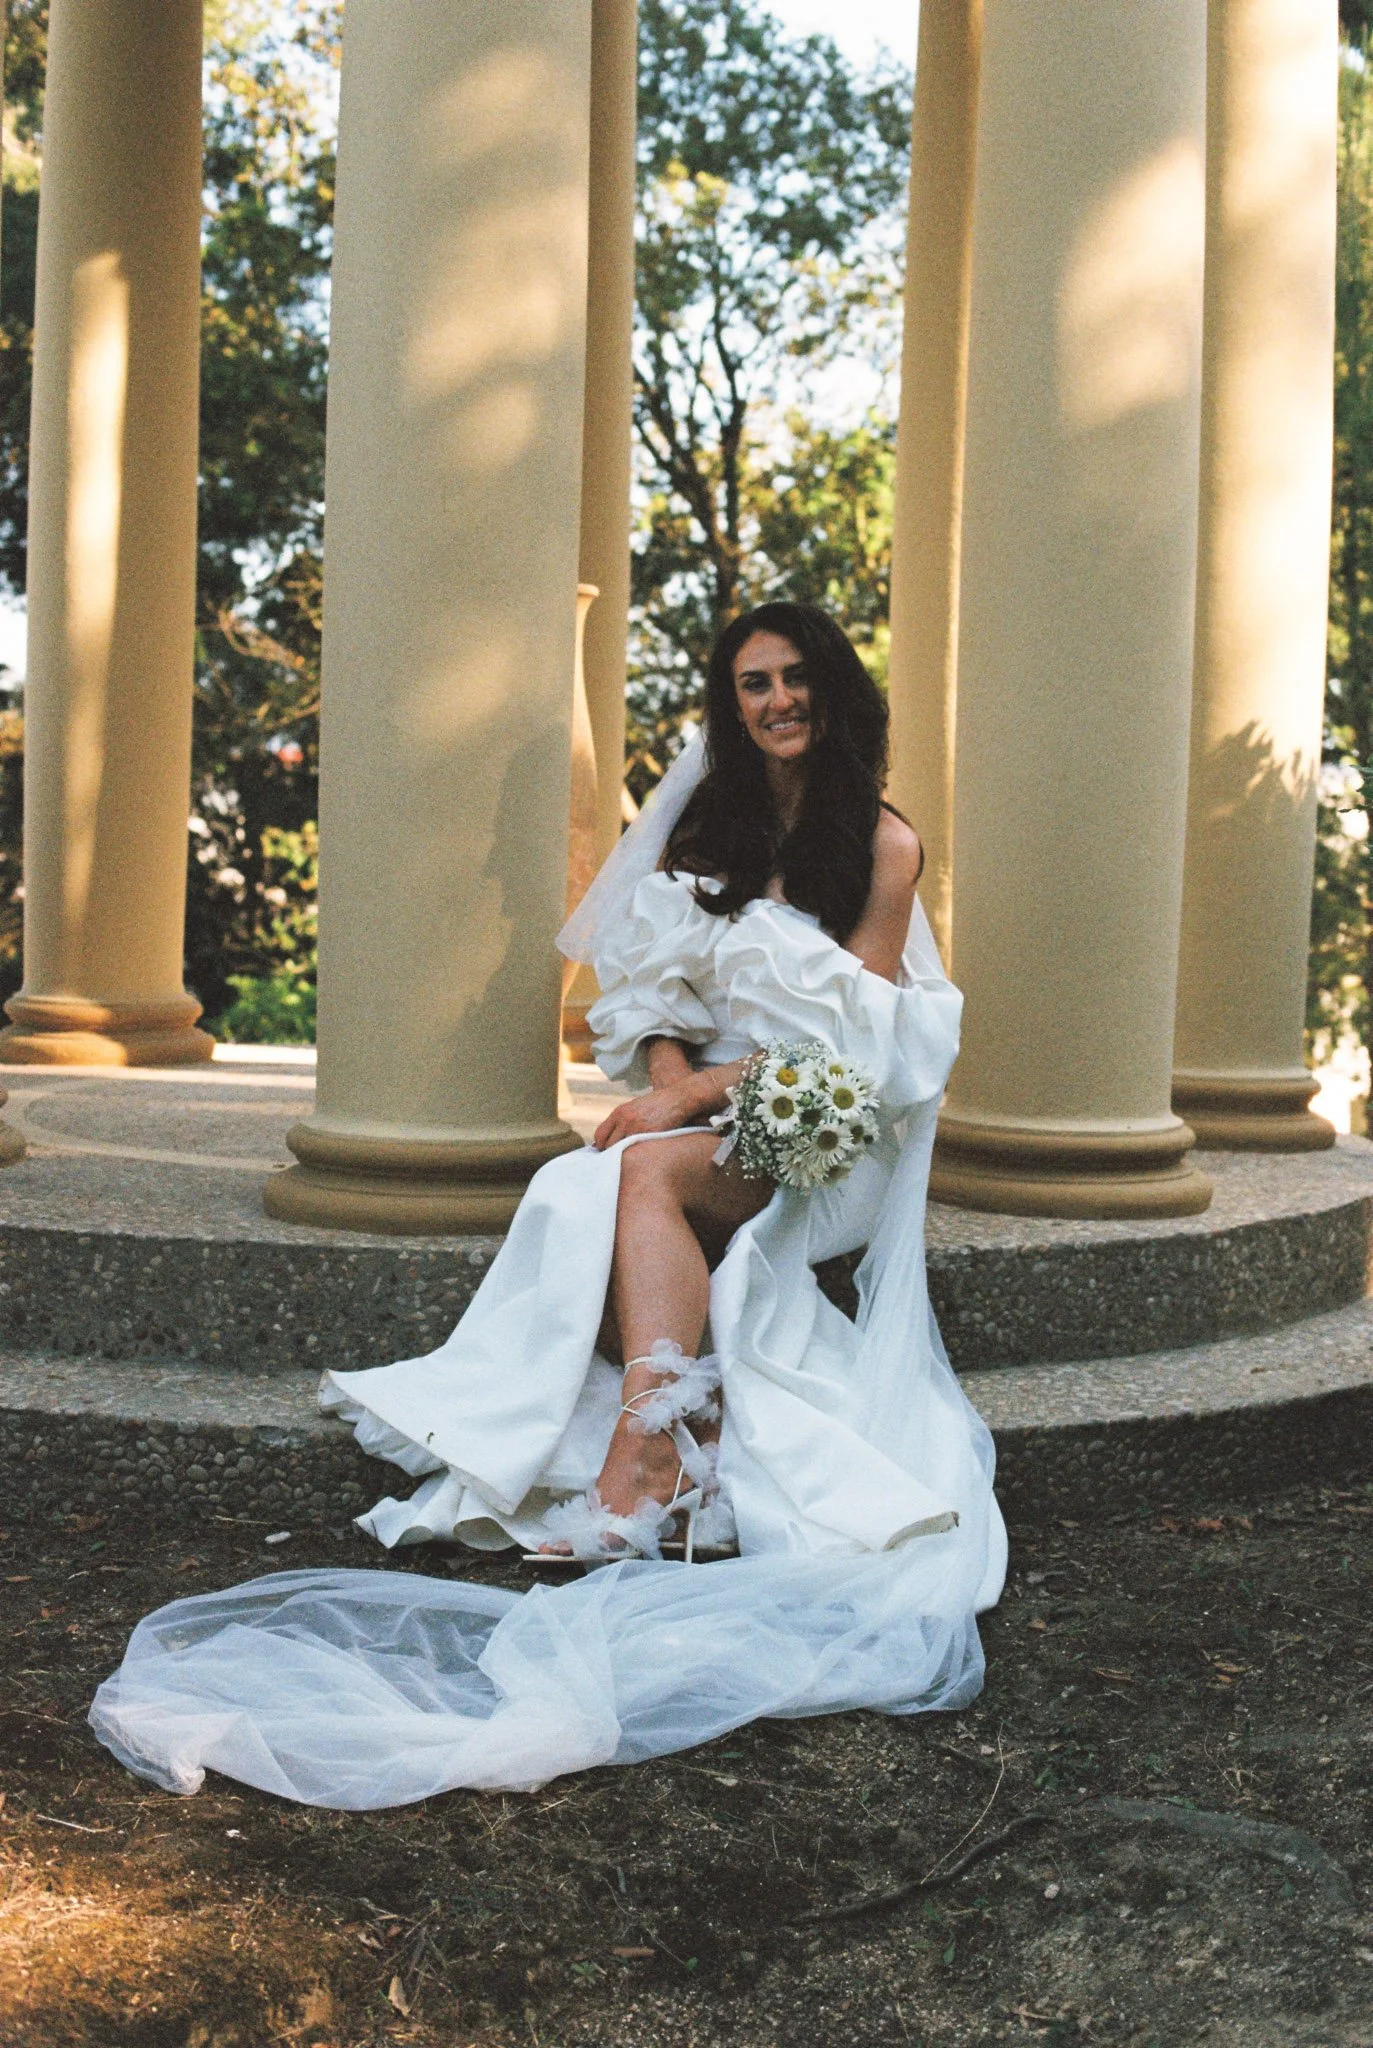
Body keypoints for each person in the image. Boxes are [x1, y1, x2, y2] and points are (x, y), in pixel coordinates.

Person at [89, 602, 1007, 1810]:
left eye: (792, 680)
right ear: (729, 705)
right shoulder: (705, 824)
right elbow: (652, 986)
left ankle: (645, 1456)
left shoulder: (881, 846)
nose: (773, 701)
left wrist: (697, 1103)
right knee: (587, 1178)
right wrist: (671, 1085)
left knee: (632, 1168)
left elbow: (858, 1038)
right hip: (712, 1102)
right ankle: (663, 1447)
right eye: (749, 684)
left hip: (822, 1118)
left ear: (832, 694)